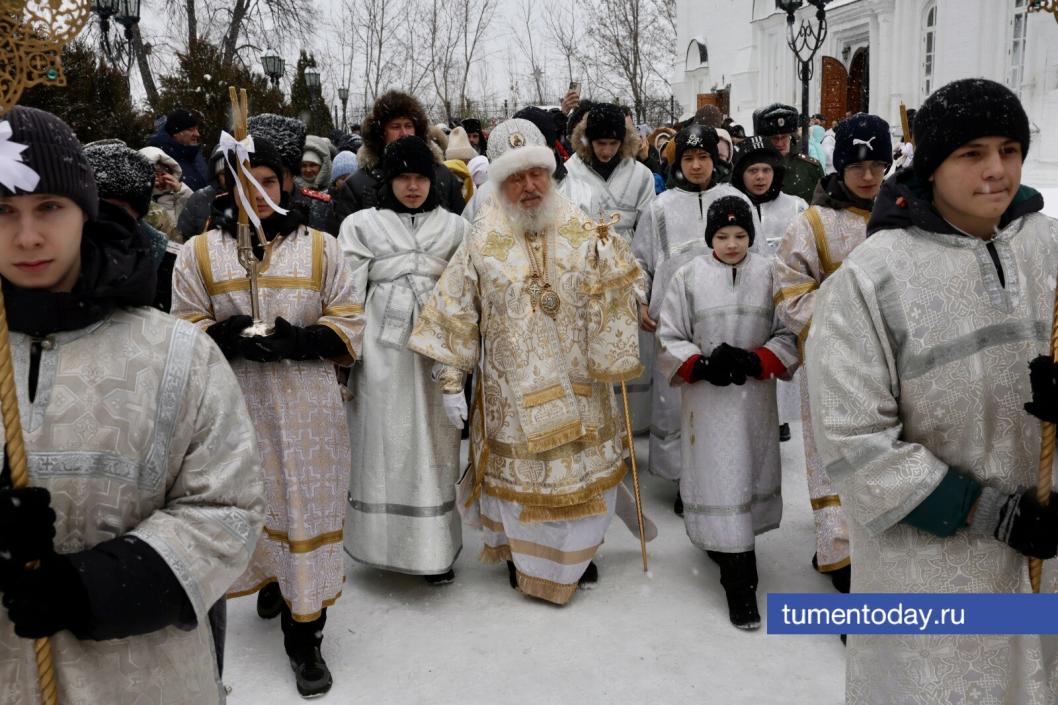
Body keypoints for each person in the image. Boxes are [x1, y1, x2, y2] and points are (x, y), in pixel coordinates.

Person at [0, 105, 264, 705]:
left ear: (84, 211)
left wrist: (89, 589)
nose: (28, 236)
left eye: (48, 208)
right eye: (3, 212)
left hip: (142, 678)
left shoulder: (176, 354)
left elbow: (228, 510)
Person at [807, 78, 1058, 704]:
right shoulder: (873, 277)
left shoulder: (1048, 247)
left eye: (1009, 148)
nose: (996, 170)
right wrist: (989, 512)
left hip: (1044, 556)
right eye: (971, 154)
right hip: (930, 575)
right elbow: (853, 439)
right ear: (933, 164)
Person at [407, 118, 643, 605]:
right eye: (515, 177)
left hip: (582, 384)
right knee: (523, 485)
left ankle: (580, 554)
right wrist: (451, 382)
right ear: (498, 182)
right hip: (512, 391)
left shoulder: (583, 226)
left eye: (536, 173)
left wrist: (618, 282)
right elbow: (454, 312)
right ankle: (525, 558)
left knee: (582, 478)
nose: (529, 186)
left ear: (549, 172)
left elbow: (630, 285)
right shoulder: (480, 239)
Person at [171, 135, 365, 698]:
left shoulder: (322, 248)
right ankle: (276, 578)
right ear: (229, 186)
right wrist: (225, 334)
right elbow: (182, 324)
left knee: (303, 508)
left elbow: (350, 317)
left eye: (270, 181)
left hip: (306, 406)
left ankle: (306, 638)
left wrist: (301, 341)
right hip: (233, 409)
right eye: (245, 181)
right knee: (250, 503)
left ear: (285, 184)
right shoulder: (199, 253)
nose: (259, 194)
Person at [658, 196, 797, 630]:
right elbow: (670, 334)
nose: (732, 244)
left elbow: (788, 332)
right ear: (709, 238)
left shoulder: (772, 274)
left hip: (753, 399)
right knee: (717, 474)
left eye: (740, 236)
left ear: (752, 236)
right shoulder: (688, 277)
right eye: (722, 236)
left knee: (746, 473)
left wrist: (758, 360)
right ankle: (740, 581)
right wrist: (698, 365)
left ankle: (732, 546)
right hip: (707, 403)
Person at [772, 113, 892, 593]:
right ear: (840, 166)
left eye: (878, 165)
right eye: (859, 166)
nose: (868, 176)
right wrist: (853, 313)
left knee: (883, 452)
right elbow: (791, 293)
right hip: (833, 364)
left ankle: (883, 544)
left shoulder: (903, 216)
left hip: (892, 365)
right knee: (833, 455)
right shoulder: (812, 223)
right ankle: (839, 552)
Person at [339, 136, 467, 583]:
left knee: (433, 442)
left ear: (432, 181)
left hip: (436, 347)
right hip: (381, 348)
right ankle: (381, 542)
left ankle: (433, 549)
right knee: (383, 438)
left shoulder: (455, 227)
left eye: (420, 178)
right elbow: (347, 291)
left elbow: (466, 290)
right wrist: (345, 355)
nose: (412, 187)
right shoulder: (360, 225)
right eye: (402, 178)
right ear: (388, 180)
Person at [633, 124, 759, 509]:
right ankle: (682, 478)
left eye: (703, 157)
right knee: (677, 397)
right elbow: (639, 261)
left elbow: (760, 259)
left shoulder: (736, 199)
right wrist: (640, 298)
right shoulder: (659, 207)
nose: (696, 165)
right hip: (674, 316)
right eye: (688, 158)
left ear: (715, 158)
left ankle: (728, 474)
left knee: (722, 398)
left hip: (726, 313)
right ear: (678, 163)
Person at [561, 102, 655, 433]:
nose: (606, 150)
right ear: (586, 141)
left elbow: (646, 235)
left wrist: (641, 290)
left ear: (623, 142)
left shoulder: (640, 175)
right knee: (590, 356)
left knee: (627, 354)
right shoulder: (570, 173)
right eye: (600, 143)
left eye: (613, 143)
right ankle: (596, 428)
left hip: (627, 273)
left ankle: (629, 430)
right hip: (586, 279)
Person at [732, 136, 809, 443]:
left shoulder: (795, 206)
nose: (760, 177)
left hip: (786, 298)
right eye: (753, 171)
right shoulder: (734, 206)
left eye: (765, 170)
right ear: (742, 174)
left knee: (782, 353)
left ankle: (780, 417)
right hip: (745, 296)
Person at [329, 91, 465, 230]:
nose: (404, 133)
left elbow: (460, 232)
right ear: (381, 132)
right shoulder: (357, 185)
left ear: (417, 130)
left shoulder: (443, 176)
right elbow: (346, 240)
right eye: (395, 127)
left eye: (408, 126)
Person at [752, 103, 823, 203]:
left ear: (790, 135)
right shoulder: (755, 168)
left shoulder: (810, 167)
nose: (780, 143)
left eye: (784, 137)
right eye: (774, 139)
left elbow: (821, 206)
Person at [138, 146, 194, 240]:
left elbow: (194, 216)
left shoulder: (178, 193)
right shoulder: (137, 199)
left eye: (164, 173)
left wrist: (182, 192)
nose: (160, 179)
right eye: (155, 174)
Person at [146, 107, 209, 190]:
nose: (197, 134)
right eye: (191, 129)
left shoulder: (194, 153)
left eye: (196, 129)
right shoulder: (160, 160)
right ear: (175, 133)